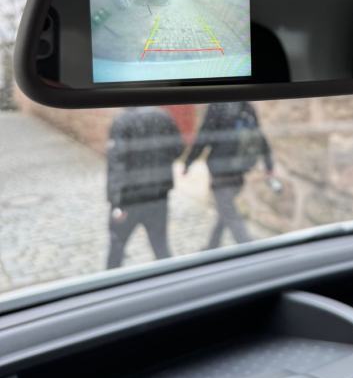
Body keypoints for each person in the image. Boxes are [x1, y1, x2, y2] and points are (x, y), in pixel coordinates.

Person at [184, 101, 274, 249]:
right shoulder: (247, 107)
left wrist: (188, 161)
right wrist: (269, 165)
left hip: (221, 171)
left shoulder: (217, 106)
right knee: (225, 209)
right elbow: (260, 136)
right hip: (240, 171)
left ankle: (249, 248)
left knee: (229, 213)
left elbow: (204, 136)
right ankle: (212, 245)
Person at [106, 106, 184, 269]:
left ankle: (110, 282)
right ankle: (172, 278)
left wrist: (116, 202)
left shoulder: (122, 121)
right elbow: (178, 148)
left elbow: (116, 163)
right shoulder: (163, 117)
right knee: (160, 246)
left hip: (129, 199)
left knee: (117, 247)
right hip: (158, 196)